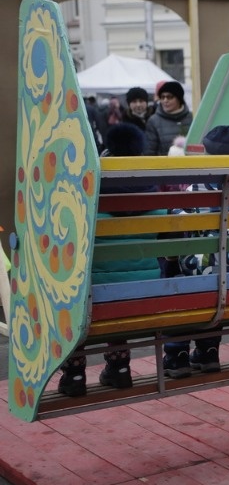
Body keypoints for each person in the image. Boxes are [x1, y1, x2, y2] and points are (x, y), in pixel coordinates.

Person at [56, 123, 162, 396]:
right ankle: (120, 367)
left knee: (69, 293)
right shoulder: (156, 193)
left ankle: (75, 372)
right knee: (119, 286)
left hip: (96, 298)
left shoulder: (88, 192)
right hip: (147, 294)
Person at [161, 125, 229, 378]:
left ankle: (176, 353)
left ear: (206, 153)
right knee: (220, 276)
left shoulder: (197, 186)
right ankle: (208, 351)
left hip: (203, 267)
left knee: (179, 281)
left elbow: (181, 220)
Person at [144, 80, 193, 156]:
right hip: (164, 166)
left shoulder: (191, 118)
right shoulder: (153, 121)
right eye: (162, 97)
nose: (165, 100)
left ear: (179, 99)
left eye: (170, 97)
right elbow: (149, 152)